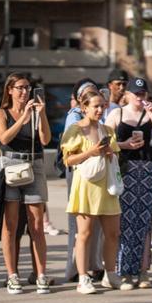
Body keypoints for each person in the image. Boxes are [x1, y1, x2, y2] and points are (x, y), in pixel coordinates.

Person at [0, 73, 52, 295]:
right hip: (10, 165)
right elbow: (4, 138)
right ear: (9, 90)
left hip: (34, 164)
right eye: (19, 88)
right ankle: (12, 275)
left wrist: (41, 114)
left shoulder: (36, 112)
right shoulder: (1, 112)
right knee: (11, 223)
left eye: (27, 87)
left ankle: (41, 274)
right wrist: (22, 118)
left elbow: (45, 140)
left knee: (37, 224)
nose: (24, 92)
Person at [60, 88, 122, 295]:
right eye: (95, 106)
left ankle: (110, 273)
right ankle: (83, 277)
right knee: (84, 233)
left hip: (107, 185)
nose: (100, 110)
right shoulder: (75, 130)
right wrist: (91, 152)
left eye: (102, 106)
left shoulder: (108, 130)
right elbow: (67, 160)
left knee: (113, 233)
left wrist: (109, 152)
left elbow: (115, 155)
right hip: (86, 184)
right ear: (84, 107)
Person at [109, 76, 152, 290]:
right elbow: (106, 140)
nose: (139, 98)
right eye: (135, 94)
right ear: (127, 95)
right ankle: (124, 272)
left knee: (144, 222)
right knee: (125, 222)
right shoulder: (118, 113)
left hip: (147, 169)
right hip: (125, 170)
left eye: (143, 94)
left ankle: (143, 271)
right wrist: (124, 144)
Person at [63, 79, 103, 283]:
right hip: (79, 172)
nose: (92, 97)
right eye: (87, 94)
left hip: (98, 173)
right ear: (80, 101)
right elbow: (70, 153)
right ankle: (75, 269)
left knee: (96, 224)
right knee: (79, 226)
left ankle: (94, 264)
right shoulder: (74, 118)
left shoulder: (100, 116)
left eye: (94, 93)